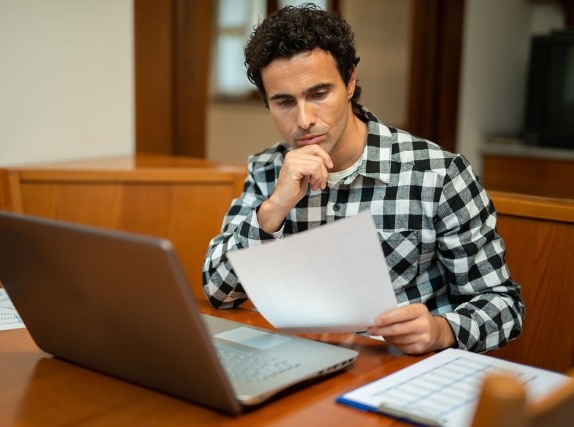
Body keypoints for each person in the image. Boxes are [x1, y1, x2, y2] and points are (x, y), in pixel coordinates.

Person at [202, 4, 524, 355]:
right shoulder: (267, 170)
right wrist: (272, 210)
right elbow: (219, 292)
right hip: (299, 362)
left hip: (396, 371)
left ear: (350, 82)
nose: (305, 119)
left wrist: (441, 330)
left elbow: (503, 305)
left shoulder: (439, 174)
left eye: (319, 94)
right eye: (284, 102)